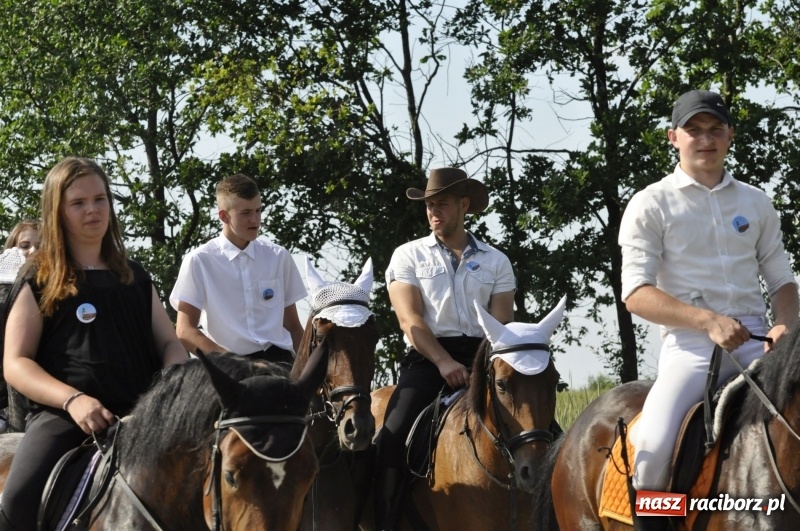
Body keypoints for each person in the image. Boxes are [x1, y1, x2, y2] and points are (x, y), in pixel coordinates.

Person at [619, 90, 799, 530]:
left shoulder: (756, 201)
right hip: (691, 350)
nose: (706, 139)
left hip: (761, 345)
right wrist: (707, 321)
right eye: (694, 130)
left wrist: (784, 327)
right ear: (673, 137)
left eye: (715, 129)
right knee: (653, 450)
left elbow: (783, 281)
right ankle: (659, 524)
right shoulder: (650, 203)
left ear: (730, 135)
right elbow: (636, 293)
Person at [0, 157, 188, 530]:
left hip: (145, 418)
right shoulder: (38, 278)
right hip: (64, 420)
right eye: (78, 203)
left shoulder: (135, 277)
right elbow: (16, 363)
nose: (93, 210)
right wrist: (74, 401)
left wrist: (172, 387)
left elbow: (170, 343)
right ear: (57, 211)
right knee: (16, 505)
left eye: (100, 199)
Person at [373, 167, 516, 530]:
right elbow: (410, 321)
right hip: (426, 360)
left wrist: (485, 368)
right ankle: (385, 522)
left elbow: (500, 327)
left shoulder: (497, 261)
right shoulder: (407, 256)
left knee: (547, 433)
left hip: (484, 358)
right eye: (429, 206)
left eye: (443, 204)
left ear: (464, 205)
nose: (434, 212)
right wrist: (443, 362)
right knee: (389, 440)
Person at [170, 173, 306, 366]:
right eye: (246, 213)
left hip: (281, 365)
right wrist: (235, 363)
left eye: (258, 210)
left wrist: (312, 372)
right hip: (228, 367)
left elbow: (293, 326)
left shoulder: (278, 256)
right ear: (224, 216)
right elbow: (185, 331)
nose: (255, 220)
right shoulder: (199, 261)